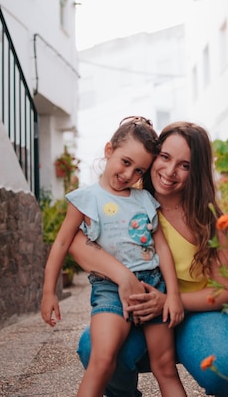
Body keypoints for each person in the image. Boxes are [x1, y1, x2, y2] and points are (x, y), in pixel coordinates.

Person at [70, 121, 228, 397]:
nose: (170, 172)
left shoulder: (211, 221)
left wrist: (170, 301)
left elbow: (227, 293)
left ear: (197, 171)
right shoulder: (126, 201)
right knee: (93, 347)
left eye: (185, 165)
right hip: (138, 315)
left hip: (196, 316)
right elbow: (75, 243)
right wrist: (122, 276)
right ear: (153, 155)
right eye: (165, 157)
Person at [41, 116, 187, 397]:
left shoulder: (144, 200)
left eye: (138, 170)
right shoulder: (85, 198)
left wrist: (173, 295)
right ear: (109, 150)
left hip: (153, 285)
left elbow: (162, 249)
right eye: (125, 162)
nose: (129, 174)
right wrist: (49, 291)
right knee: (102, 360)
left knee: (165, 367)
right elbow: (61, 244)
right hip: (110, 290)